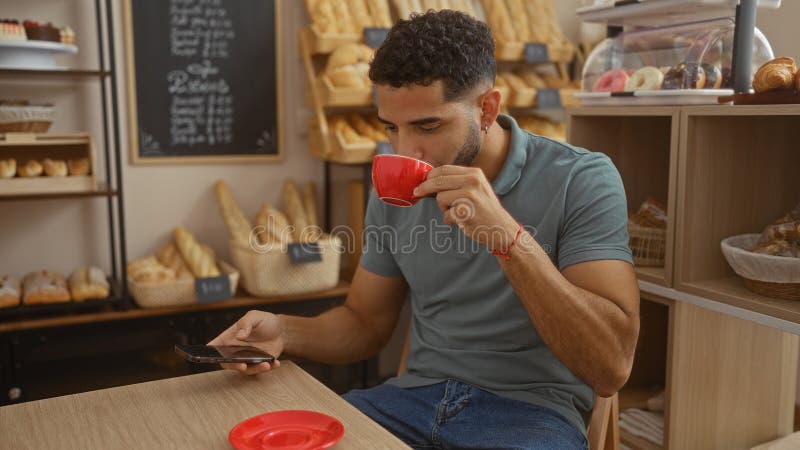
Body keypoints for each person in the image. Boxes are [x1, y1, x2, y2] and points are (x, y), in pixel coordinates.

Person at [210, 10, 639, 450]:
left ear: (487, 108)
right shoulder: (394, 191)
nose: (405, 149)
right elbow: (365, 322)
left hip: (530, 417)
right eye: (391, 128)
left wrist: (508, 240)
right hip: (409, 402)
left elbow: (611, 367)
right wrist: (284, 332)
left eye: (428, 126)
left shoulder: (581, 178)